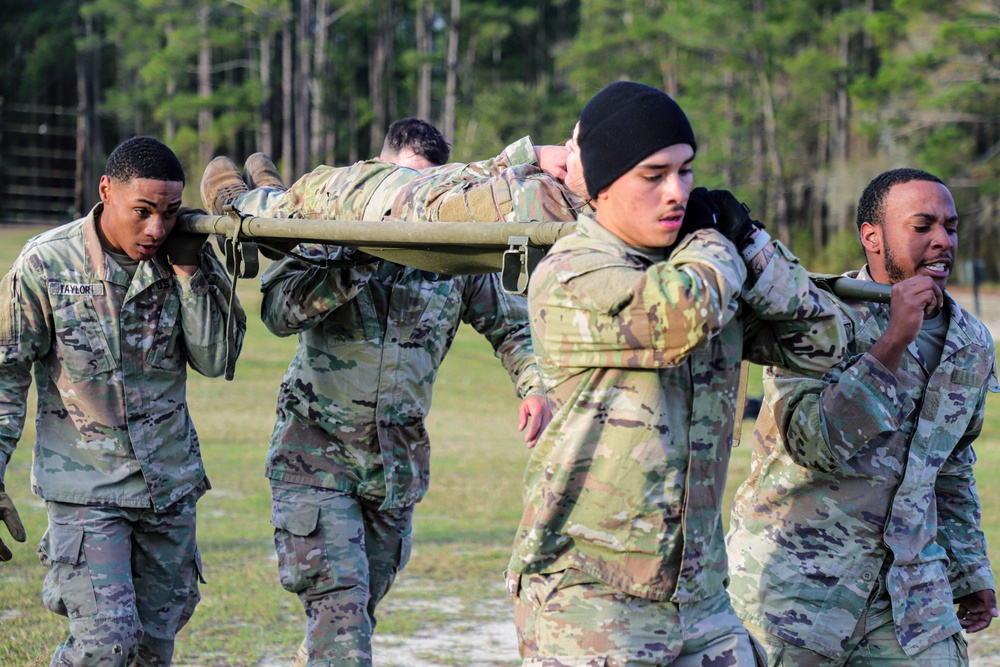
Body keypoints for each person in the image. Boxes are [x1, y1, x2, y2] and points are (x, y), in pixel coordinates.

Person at [200, 120, 573, 667]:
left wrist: (536, 387)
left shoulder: (451, 255)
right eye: (402, 186)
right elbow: (279, 313)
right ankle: (250, 198)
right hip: (316, 461)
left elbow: (512, 327)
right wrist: (363, 254)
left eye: (424, 188)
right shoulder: (334, 230)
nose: (410, 201)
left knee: (348, 624)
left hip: (393, 471)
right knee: (342, 627)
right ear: (379, 174)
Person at [505, 80, 850, 666]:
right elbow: (680, 317)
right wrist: (719, 237)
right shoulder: (570, 273)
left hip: (701, 598)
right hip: (592, 601)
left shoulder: (704, 266)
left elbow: (825, 341)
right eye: (654, 175)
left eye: (687, 172)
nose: (677, 193)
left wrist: (756, 245)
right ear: (608, 184)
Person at [726, 168, 999, 665]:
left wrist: (970, 571)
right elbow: (814, 445)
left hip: (912, 604)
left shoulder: (972, 341)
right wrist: (893, 341)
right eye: (923, 227)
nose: (942, 241)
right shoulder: (814, 317)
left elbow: (951, 465)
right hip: (799, 596)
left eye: (951, 227)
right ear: (871, 237)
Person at [0, 136, 246, 666]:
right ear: (106, 190)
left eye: (170, 212)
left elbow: (216, 358)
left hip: (169, 487)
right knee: (104, 647)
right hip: (88, 489)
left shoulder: (182, 254)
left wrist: (190, 273)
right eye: (143, 211)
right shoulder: (48, 262)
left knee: (154, 651)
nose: (157, 228)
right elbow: (5, 373)